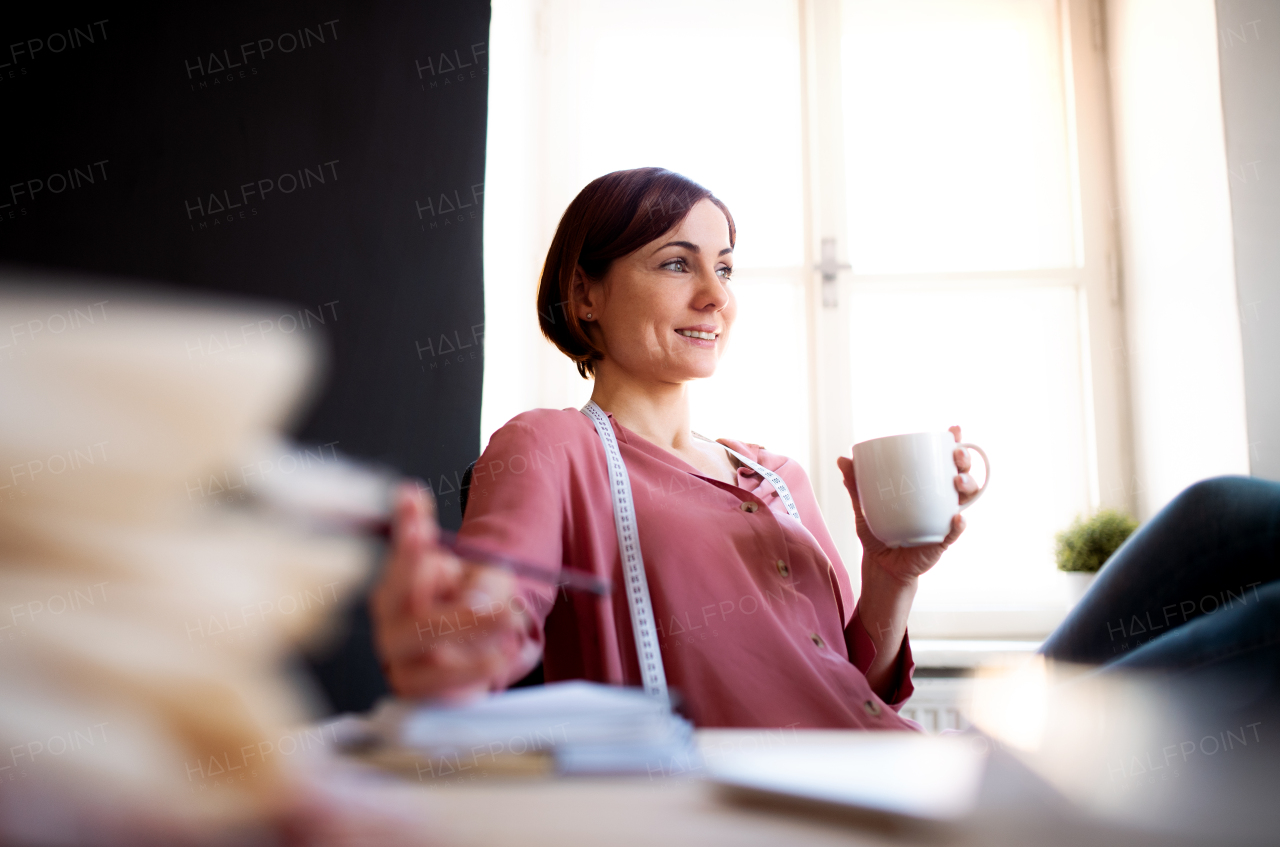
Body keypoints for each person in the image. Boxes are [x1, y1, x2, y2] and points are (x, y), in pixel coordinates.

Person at [371, 167, 1280, 729]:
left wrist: (892, 570)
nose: (716, 297)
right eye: (676, 262)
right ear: (586, 292)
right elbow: (497, 613)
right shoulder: (554, 445)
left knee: (1225, 508)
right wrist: (450, 641)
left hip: (903, 764)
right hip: (807, 806)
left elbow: (863, 685)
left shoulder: (777, 472)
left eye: (725, 268)